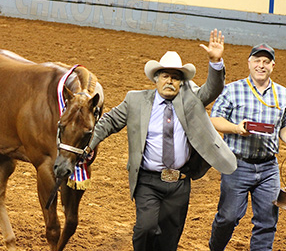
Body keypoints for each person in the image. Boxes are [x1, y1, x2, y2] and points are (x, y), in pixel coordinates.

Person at [87, 29, 237, 251]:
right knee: (145, 228)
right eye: (165, 76)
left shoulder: (191, 100)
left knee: (169, 240)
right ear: (155, 79)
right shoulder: (135, 100)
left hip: (179, 182)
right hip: (148, 180)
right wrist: (90, 143)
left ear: (181, 83)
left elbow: (213, 89)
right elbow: (109, 121)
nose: (170, 81)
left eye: (175, 77)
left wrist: (215, 62)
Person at [208, 43, 286, 251]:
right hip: (237, 165)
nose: (261, 65)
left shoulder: (282, 93)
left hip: (268, 167)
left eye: (266, 62)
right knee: (227, 218)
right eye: (257, 60)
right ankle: (215, 248)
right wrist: (236, 128)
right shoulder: (232, 89)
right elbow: (214, 120)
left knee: (267, 222)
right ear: (249, 62)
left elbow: (285, 125)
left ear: (272, 65)